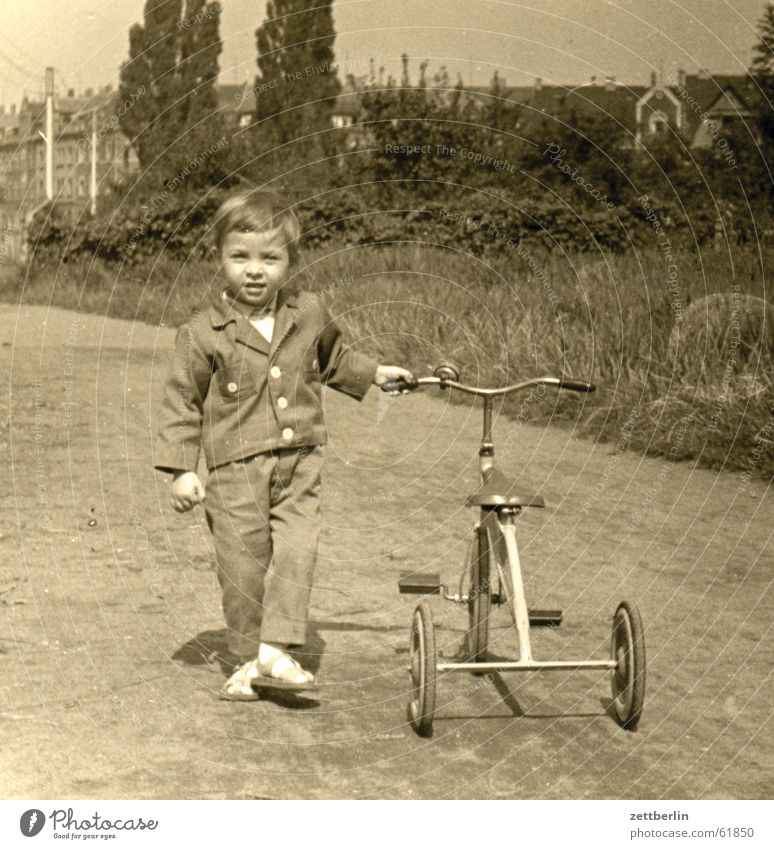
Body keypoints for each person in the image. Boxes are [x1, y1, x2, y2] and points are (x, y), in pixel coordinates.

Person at [153, 189, 414, 700]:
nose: (255, 271)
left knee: (299, 548)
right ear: (219, 258)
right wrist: (183, 470)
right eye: (240, 257)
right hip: (234, 473)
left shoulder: (308, 312)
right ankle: (248, 659)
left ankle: (275, 648)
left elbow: (334, 361)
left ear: (289, 261)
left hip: (301, 463)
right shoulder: (202, 333)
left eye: (270, 258)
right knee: (243, 567)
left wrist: (376, 374)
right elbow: (182, 402)